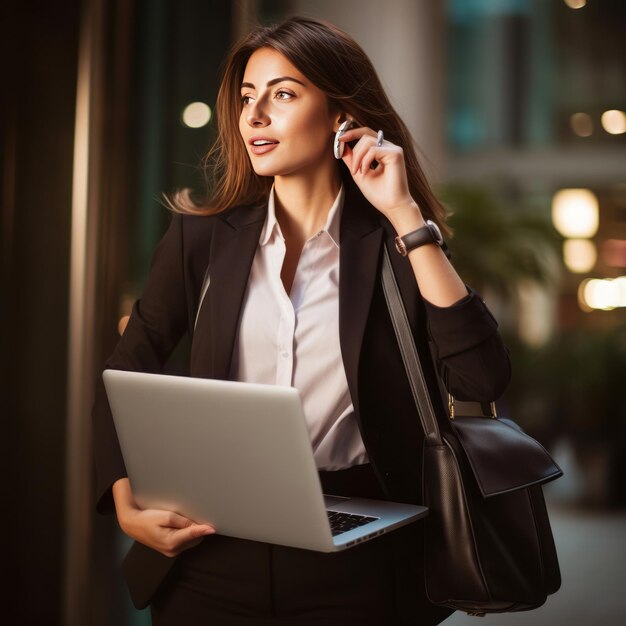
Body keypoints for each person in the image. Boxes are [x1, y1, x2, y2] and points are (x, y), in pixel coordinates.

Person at [92, 15, 511, 626]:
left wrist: (406, 218)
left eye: (282, 94)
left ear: (343, 116)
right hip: (211, 554)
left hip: (358, 560)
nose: (255, 115)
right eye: (245, 98)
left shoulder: (397, 243)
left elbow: (480, 380)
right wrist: (126, 502)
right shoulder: (202, 240)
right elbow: (123, 368)